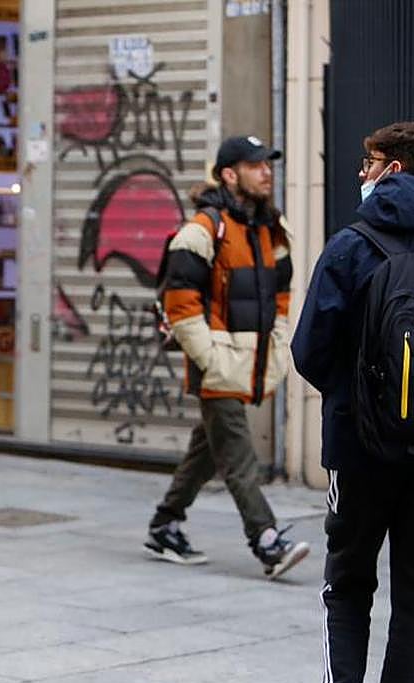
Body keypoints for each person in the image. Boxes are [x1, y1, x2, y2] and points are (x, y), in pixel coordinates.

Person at [292, 121, 414, 683]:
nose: (359, 175)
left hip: (357, 448)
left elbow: (308, 350)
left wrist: (354, 398)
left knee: (347, 587)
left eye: (367, 163)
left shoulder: (352, 245)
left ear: (393, 169)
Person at [145, 135, 310, 578]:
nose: (267, 173)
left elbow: (281, 292)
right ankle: (267, 540)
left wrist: (276, 338)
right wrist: (211, 358)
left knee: (208, 447)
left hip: (248, 361)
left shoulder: (270, 228)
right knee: (238, 453)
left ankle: (165, 525)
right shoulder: (203, 229)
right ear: (229, 174)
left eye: (269, 165)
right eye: (256, 166)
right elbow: (180, 304)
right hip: (218, 362)